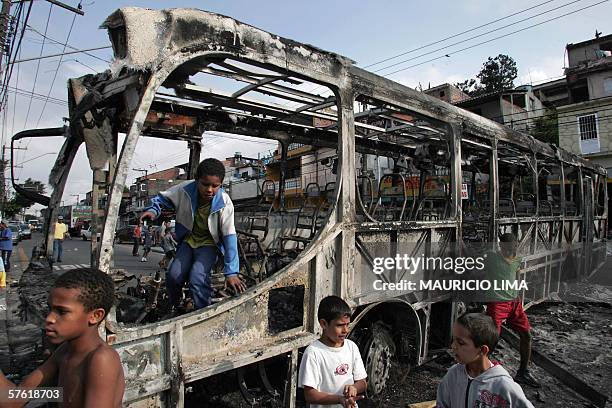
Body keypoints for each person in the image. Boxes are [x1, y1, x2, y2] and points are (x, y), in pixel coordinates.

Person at [0, 267, 125, 408]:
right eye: (50, 309)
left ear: (95, 316)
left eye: (62, 311)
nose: (49, 318)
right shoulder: (64, 352)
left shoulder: (101, 359)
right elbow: (14, 399)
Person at [140, 158, 245, 310]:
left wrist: (232, 272)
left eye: (215, 186)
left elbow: (229, 237)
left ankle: (202, 312)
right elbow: (162, 199)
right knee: (173, 277)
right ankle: (176, 307)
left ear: (221, 184)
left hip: (209, 245)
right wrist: (152, 210)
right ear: (197, 180)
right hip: (188, 242)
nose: (210, 190)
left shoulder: (224, 202)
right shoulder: (184, 190)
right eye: (205, 184)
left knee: (197, 278)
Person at [436, 313, 534, 408]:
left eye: (461, 343)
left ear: (483, 350)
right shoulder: (453, 374)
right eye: (453, 340)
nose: (453, 346)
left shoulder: (503, 386)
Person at [484, 233, 540, 388]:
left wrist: (519, 299)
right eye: (507, 246)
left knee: (526, 335)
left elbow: (517, 279)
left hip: (514, 302)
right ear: (501, 246)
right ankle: (482, 372)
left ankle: (523, 372)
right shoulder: (491, 258)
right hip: (497, 303)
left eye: (514, 246)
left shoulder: (517, 260)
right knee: (492, 339)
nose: (511, 249)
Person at [298, 296, 367, 408]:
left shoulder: (351, 347)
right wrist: (340, 399)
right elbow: (310, 395)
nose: (345, 330)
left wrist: (354, 388)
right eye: (340, 325)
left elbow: (363, 382)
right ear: (324, 324)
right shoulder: (313, 352)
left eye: (347, 325)